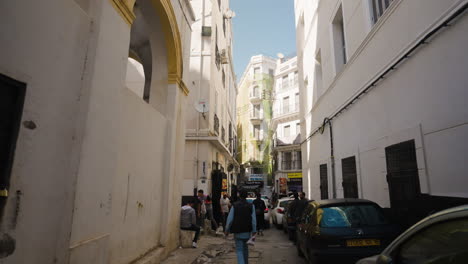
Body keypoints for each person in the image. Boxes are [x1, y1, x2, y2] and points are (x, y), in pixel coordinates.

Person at [225, 190, 257, 264]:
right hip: (247, 231)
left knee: (239, 250)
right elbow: (253, 220)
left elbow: (229, 220)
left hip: (238, 232)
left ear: (239, 195)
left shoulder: (234, 206)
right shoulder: (251, 206)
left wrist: (227, 230)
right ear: (246, 196)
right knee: (245, 249)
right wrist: (254, 230)